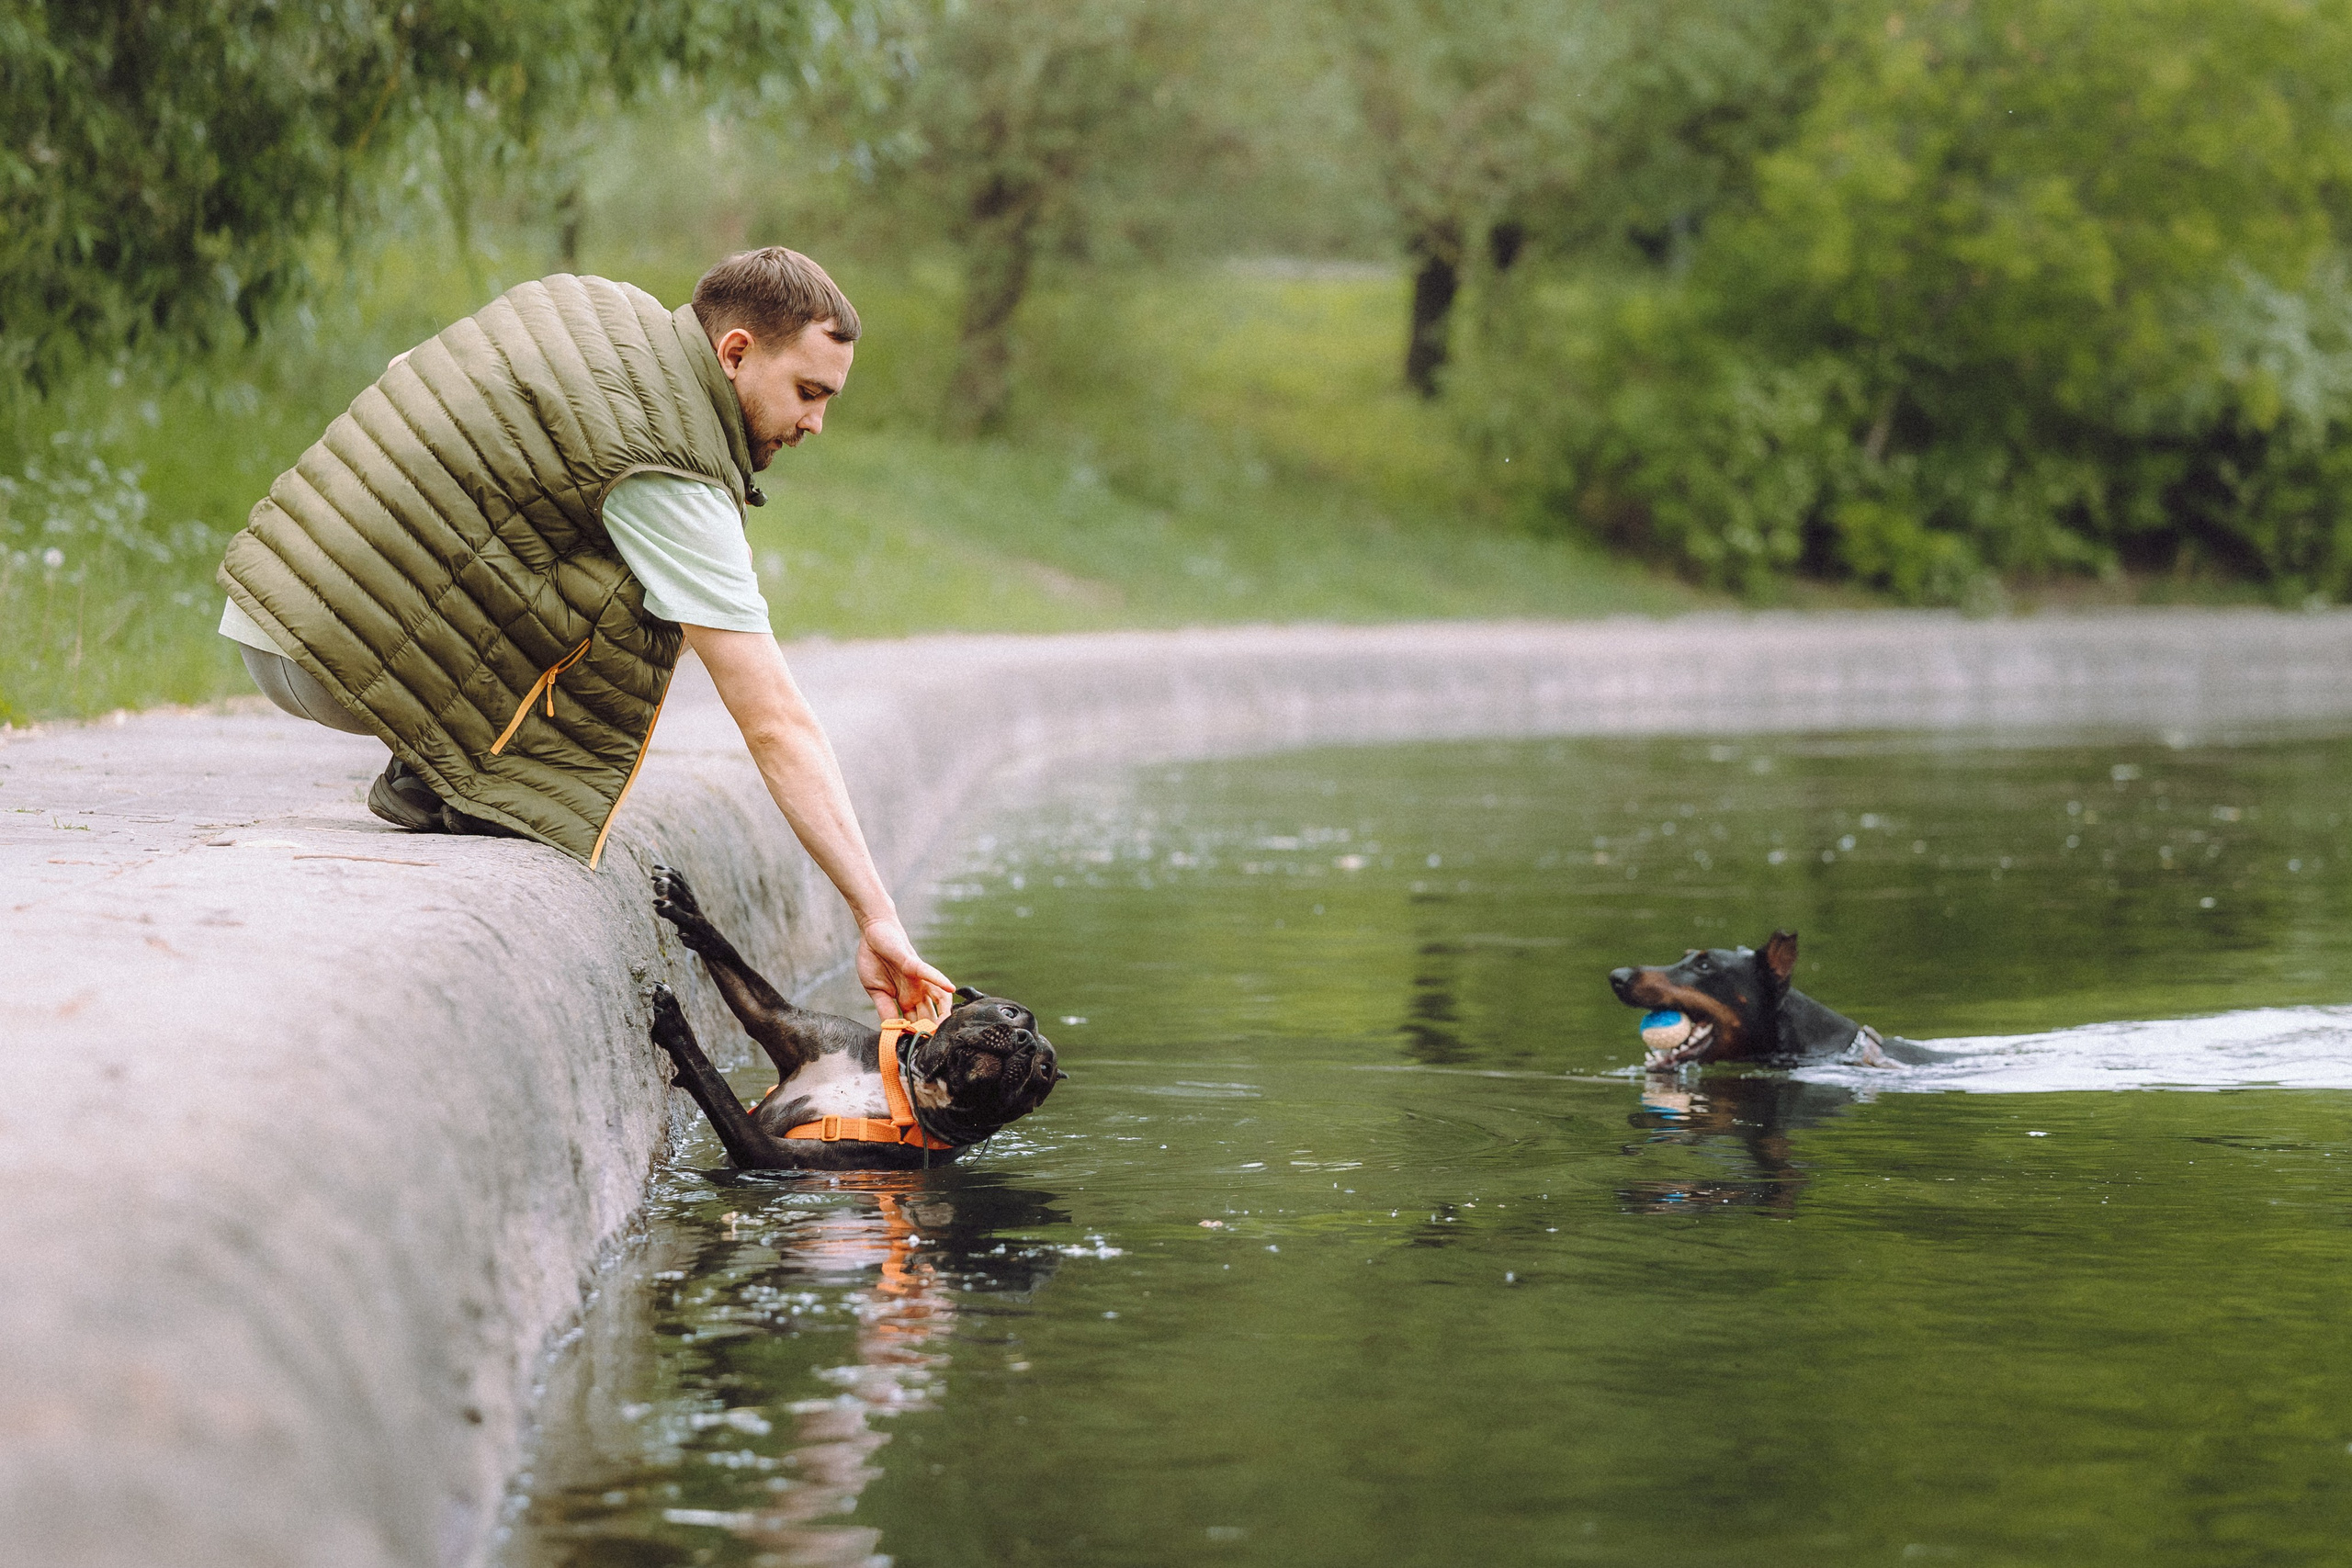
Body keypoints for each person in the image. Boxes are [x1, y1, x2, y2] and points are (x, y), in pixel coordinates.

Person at [214, 248, 949, 1021]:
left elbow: (415, 368)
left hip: (277, 599)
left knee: (570, 525)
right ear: (735, 352)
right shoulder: (671, 468)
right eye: (807, 392)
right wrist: (875, 914)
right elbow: (774, 721)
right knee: (647, 595)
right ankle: (467, 777)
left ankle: (436, 762)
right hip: (326, 655)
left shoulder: (595, 309)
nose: (815, 423)